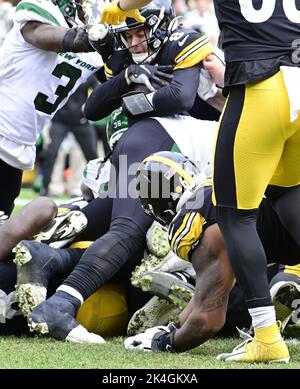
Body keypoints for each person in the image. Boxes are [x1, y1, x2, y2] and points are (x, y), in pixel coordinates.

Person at [15, 0, 227, 343]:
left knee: (125, 227)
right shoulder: (126, 56)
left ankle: (51, 258)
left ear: (161, 25)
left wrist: (132, 99)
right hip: (165, 145)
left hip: (169, 143)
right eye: (128, 36)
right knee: (131, 231)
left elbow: (181, 97)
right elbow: (93, 107)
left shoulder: (184, 41)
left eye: (140, 32)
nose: (134, 42)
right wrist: (127, 76)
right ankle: (62, 304)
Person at [101, 0, 300, 363]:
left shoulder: (190, 209)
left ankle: (267, 335)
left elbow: (208, 315)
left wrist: (118, 6)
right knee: (289, 196)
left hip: (259, 86)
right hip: (298, 84)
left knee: (234, 214)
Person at [124, 151, 300, 362]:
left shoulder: (199, 218)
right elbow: (206, 294)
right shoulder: (216, 188)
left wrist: (163, 342)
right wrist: (172, 327)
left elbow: (207, 320)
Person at [0, 0, 112, 215]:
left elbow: (112, 79)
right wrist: (92, 37)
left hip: (19, 144)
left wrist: (128, 71)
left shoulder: (93, 40)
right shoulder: (42, 13)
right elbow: (41, 34)